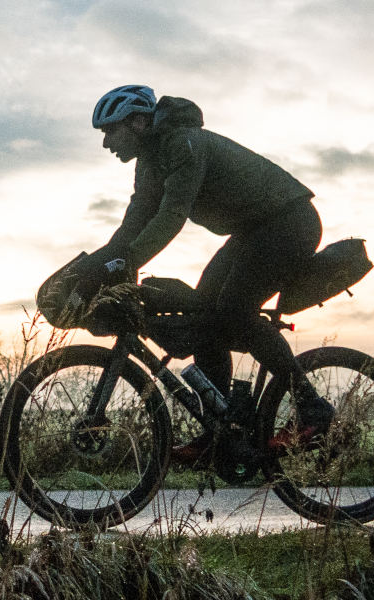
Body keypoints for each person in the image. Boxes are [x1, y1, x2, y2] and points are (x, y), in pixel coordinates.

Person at [77, 84, 335, 447]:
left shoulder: (183, 144)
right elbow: (133, 225)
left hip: (288, 222)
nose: (106, 143)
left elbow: (171, 216)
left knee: (233, 309)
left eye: (109, 131)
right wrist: (98, 266)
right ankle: (222, 428)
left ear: (136, 122)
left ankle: (314, 410)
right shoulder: (150, 162)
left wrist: (127, 261)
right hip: (253, 231)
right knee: (203, 313)